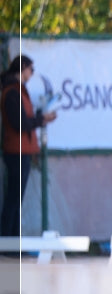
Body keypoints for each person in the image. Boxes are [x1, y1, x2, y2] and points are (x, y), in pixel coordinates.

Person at [1, 55, 56, 237]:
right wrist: (42, 119)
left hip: (22, 150)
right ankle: (7, 240)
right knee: (13, 200)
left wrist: (41, 115)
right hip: (16, 151)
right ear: (22, 67)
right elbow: (20, 123)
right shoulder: (11, 92)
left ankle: (13, 241)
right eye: (31, 69)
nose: (32, 74)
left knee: (16, 200)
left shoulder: (19, 90)